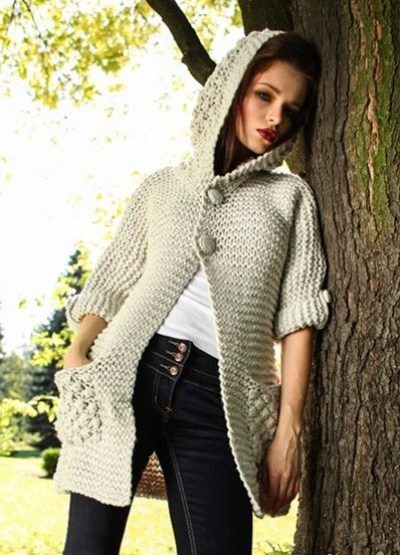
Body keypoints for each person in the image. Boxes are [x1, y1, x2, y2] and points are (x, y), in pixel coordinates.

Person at [54, 26, 331, 555]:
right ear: (233, 88)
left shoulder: (290, 198)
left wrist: (288, 430)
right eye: (264, 95)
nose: (275, 117)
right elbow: (113, 281)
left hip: (220, 401)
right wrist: (78, 349)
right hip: (123, 374)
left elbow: (299, 317)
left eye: (291, 110)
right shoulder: (163, 187)